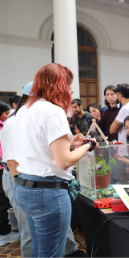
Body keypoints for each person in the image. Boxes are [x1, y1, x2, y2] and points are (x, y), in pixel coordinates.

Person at [12, 63, 98, 257]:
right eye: (68, 85)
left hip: (24, 186)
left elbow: (38, 146)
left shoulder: (26, 109)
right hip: (47, 192)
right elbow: (64, 161)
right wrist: (88, 146)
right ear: (59, 85)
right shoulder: (53, 110)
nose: (69, 91)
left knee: (38, 251)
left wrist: (69, 141)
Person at [2, 81, 84, 257]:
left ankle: (71, 252)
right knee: (33, 236)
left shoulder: (28, 115)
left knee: (46, 238)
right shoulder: (18, 119)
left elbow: (42, 145)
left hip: (33, 181)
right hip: (26, 179)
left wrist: (70, 141)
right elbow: (12, 162)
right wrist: (22, 186)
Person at [0, 100, 18, 246]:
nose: (7, 116)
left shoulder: (4, 125)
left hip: (4, 165)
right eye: (6, 113)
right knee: (2, 201)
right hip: (3, 167)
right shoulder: (2, 127)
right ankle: (4, 233)